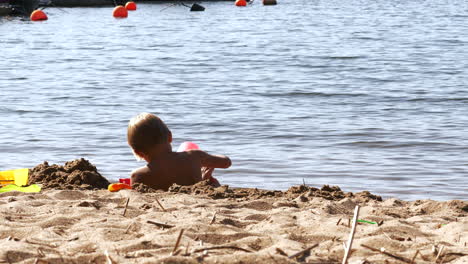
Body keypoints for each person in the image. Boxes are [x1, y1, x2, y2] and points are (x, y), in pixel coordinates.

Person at [127, 113, 231, 191]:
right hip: (194, 197)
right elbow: (226, 162)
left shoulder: (137, 176)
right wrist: (207, 160)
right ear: (170, 137)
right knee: (214, 183)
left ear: (138, 152)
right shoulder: (194, 156)